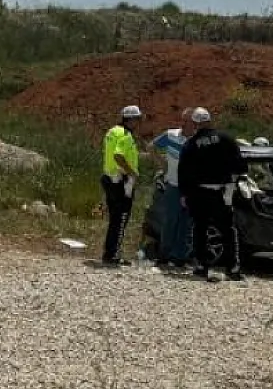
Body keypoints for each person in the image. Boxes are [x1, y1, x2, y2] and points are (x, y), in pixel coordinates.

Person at [177, 107, 248, 283]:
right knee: (228, 230)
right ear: (209, 121)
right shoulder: (226, 139)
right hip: (222, 193)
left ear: (195, 124)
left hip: (199, 193)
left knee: (200, 229)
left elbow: (183, 171)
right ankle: (233, 268)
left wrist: (185, 193)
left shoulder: (191, 144)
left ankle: (202, 266)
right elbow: (240, 165)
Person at [149, 108, 199, 267]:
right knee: (170, 221)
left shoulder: (199, 141)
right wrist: (163, 165)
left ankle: (179, 257)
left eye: (188, 121)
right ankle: (164, 255)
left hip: (192, 189)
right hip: (173, 185)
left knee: (186, 223)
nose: (184, 124)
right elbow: (152, 147)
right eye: (183, 120)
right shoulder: (171, 135)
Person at [99, 105, 143, 267]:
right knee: (121, 219)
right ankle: (113, 254)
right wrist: (132, 172)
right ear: (130, 119)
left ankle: (109, 252)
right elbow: (118, 156)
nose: (138, 122)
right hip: (120, 181)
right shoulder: (125, 135)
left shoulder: (112, 131)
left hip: (109, 178)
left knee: (114, 219)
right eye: (137, 119)